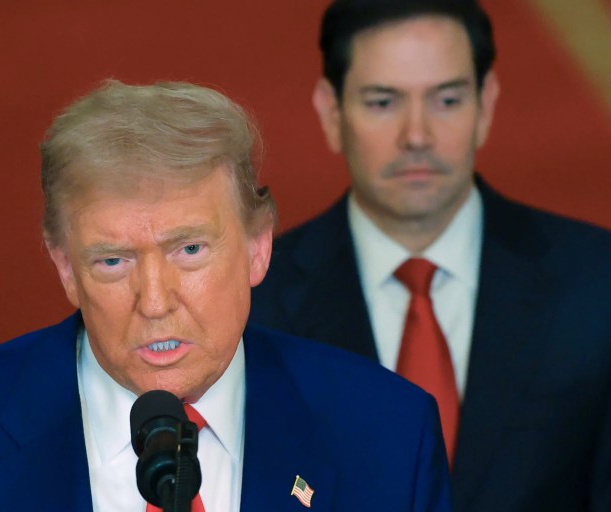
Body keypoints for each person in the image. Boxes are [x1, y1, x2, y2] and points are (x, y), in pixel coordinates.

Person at [0, 80, 451, 511]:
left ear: (259, 247)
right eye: (112, 261)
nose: (154, 301)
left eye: (189, 250)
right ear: (65, 267)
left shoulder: (388, 436)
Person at [249, 1, 611, 511]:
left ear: (485, 106)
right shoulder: (254, 299)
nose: (416, 136)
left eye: (446, 100)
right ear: (332, 113)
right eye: (382, 102)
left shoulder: (597, 285)